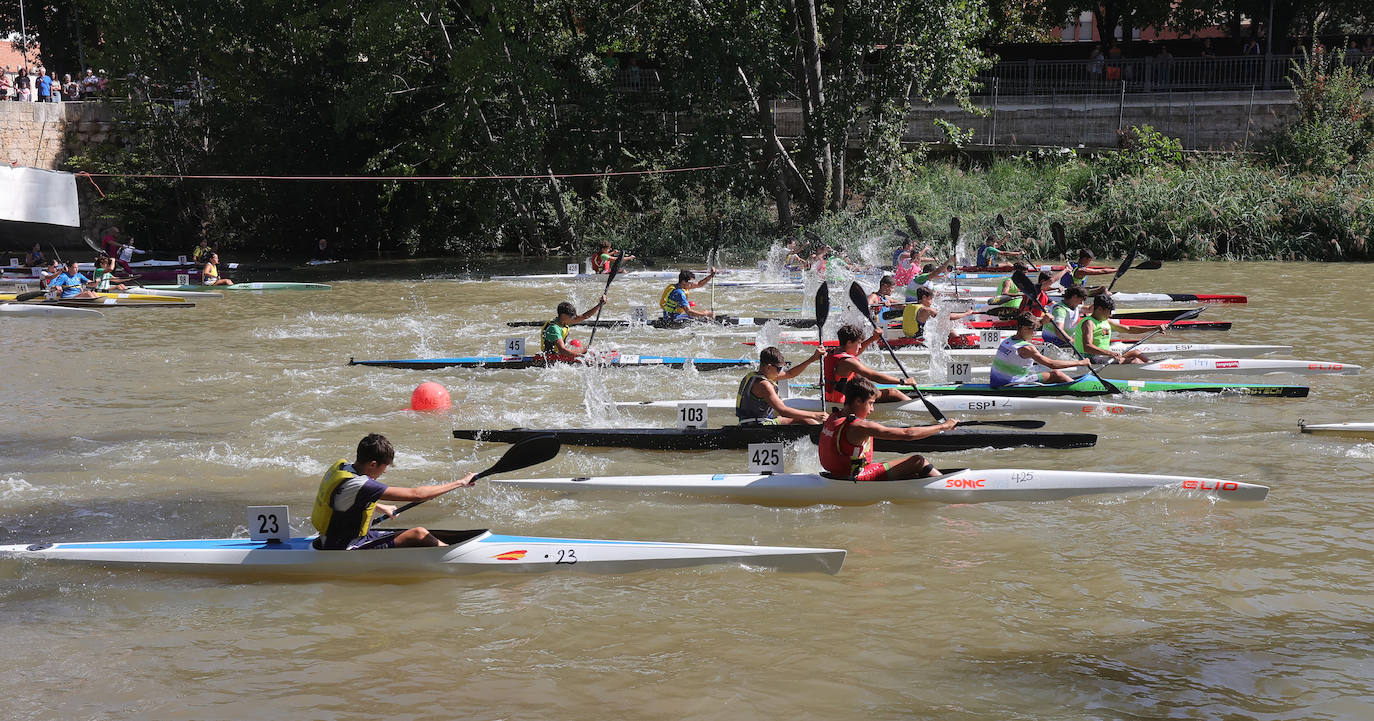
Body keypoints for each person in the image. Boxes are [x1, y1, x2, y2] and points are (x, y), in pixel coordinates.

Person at [312, 433, 477, 550]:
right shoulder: (364, 485)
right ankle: (452, 555)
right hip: (344, 547)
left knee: (413, 534)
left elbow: (344, 498)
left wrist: (380, 506)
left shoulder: (342, 468)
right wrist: (460, 482)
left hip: (330, 539)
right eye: (385, 466)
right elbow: (418, 495)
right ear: (372, 464)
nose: (385, 471)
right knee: (418, 534)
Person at [818, 378, 957, 480]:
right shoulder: (859, 426)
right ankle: (952, 491)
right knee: (918, 461)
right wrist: (944, 426)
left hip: (837, 476)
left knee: (912, 473)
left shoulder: (833, 416)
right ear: (858, 401)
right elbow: (907, 434)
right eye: (871, 404)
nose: (872, 409)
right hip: (857, 478)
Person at [823, 323, 918, 405]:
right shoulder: (848, 362)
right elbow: (873, 376)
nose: (860, 346)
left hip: (832, 397)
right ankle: (917, 407)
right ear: (849, 342)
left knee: (862, 382)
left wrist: (873, 338)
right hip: (844, 401)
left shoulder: (832, 352)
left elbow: (853, 352)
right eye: (858, 343)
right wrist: (903, 381)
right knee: (893, 392)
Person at [989, 313, 1090, 388]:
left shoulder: (1007, 341)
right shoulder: (1026, 348)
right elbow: (1051, 364)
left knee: (1044, 373)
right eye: (1031, 329)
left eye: (1035, 329)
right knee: (1056, 374)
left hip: (995, 382)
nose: (1034, 333)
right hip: (1011, 384)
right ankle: (1081, 389)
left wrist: (1043, 320)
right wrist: (1079, 362)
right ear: (1022, 328)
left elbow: (1029, 324)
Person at [736, 346, 827, 425]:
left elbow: (790, 374)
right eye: (779, 369)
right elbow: (783, 411)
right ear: (769, 367)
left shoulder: (753, 376)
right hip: (758, 426)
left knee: (803, 418)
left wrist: (812, 359)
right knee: (806, 418)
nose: (780, 372)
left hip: (749, 422)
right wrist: (816, 415)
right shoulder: (764, 385)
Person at [1074, 294, 1156, 364]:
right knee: (1135, 361)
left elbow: (1128, 329)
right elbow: (1087, 347)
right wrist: (1110, 353)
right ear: (1099, 309)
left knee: (1136, 353)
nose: (1110, 315)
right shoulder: (1089, 323)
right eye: (1109, 311)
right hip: (1089, 358)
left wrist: (1154, 328)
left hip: (1103, 355)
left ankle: (1152, 365)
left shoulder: (1106, 321)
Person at [541, 296, 607, 360]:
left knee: (576, 343)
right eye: (571, 317)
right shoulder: (554, 329)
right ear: (563, 316)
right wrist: (581, 356)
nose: (573, 319)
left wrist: (599, 305)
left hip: (559, 353)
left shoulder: (563, 321)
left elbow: (584, 316)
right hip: (550, 357)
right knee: (585, 349)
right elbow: (563, 351)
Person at [901, 286, 979, 339]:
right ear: (924, 298)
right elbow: (948, 317)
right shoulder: (926, 310)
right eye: (930, 299)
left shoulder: (908, 306)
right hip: (917, 338)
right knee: (946, 325)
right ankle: (957, 340)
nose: (932, 302)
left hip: (909, 336)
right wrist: (967, 313)